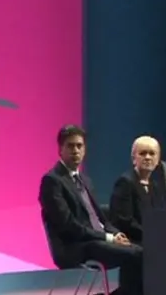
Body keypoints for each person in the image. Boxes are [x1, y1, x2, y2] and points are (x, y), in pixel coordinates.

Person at [39, 125, 143, 295]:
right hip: (74, 246)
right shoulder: (52, 181)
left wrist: (115, 234)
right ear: (60, 150)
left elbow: (102, 219)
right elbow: (68, 225)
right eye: (70, 146)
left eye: (79, 146)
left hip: (95, 241)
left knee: (144, 253)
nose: (75, 150)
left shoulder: (85, 180)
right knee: (137, 256)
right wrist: (108, 237)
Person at [109, 136, 166, 244]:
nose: (147, 157)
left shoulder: (156, 186)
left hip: (154, 240)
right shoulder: (125, 182)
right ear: (134, 158)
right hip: (133, 241)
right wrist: (154, 235)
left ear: (158, 160)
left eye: (152, 153)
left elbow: (164, 216)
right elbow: (125, 222)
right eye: (142, 153)